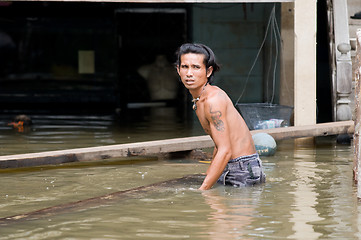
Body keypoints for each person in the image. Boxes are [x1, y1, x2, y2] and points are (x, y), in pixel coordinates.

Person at [175, 43, 266, 190]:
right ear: (178, 70)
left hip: (241, 169)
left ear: (208, 71)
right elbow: (219, 144)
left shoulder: (213, 101)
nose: (189, 73)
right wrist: (210, 172)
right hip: (237, 166)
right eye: (185, 67)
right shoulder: (201, 98)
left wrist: (202, 190)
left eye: (196, 67)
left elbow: (225, 150)